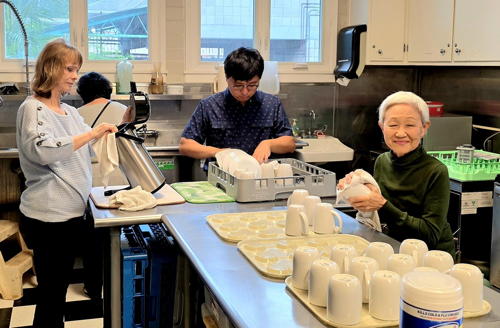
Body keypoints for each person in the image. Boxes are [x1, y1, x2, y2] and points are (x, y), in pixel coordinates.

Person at [16, 38, 117, 328]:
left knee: (56, 293)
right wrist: (92, 133)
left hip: (72, 214)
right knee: (51, 295)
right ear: (50, 68)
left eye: (77, 70)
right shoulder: (32, 109)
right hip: (47, 218)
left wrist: (107, 133)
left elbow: (87, 143)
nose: (75, 76)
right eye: (70, 69)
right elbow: (44, 150)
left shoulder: (71, 112)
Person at [338, 91, 455, 257]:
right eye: (393, 125)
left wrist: (382, 205)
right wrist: (356, 187)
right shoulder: (382, 161)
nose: (400, 133)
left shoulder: (436, 171)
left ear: (424, 128)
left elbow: (430, 234)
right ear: (381, 127)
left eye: (410, 125)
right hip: (394, 248)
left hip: (431, 258)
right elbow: (381, 207)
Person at [179, 47, 295, 168]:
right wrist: (221, 153)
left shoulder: (272, 104)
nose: (245, 92)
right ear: (227, 78)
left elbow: (289, 143)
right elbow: (186, 145)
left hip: (260, 177)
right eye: (238, 85)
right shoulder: (209, 105)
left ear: (259, 80)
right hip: (222, 177)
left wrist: (268, 144)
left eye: (252, 85)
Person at [77, 71, 129, 186]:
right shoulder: (124, 110)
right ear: (108, 90)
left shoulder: (75, 114)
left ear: (81, 93)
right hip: (121, 173)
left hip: (88, 175)